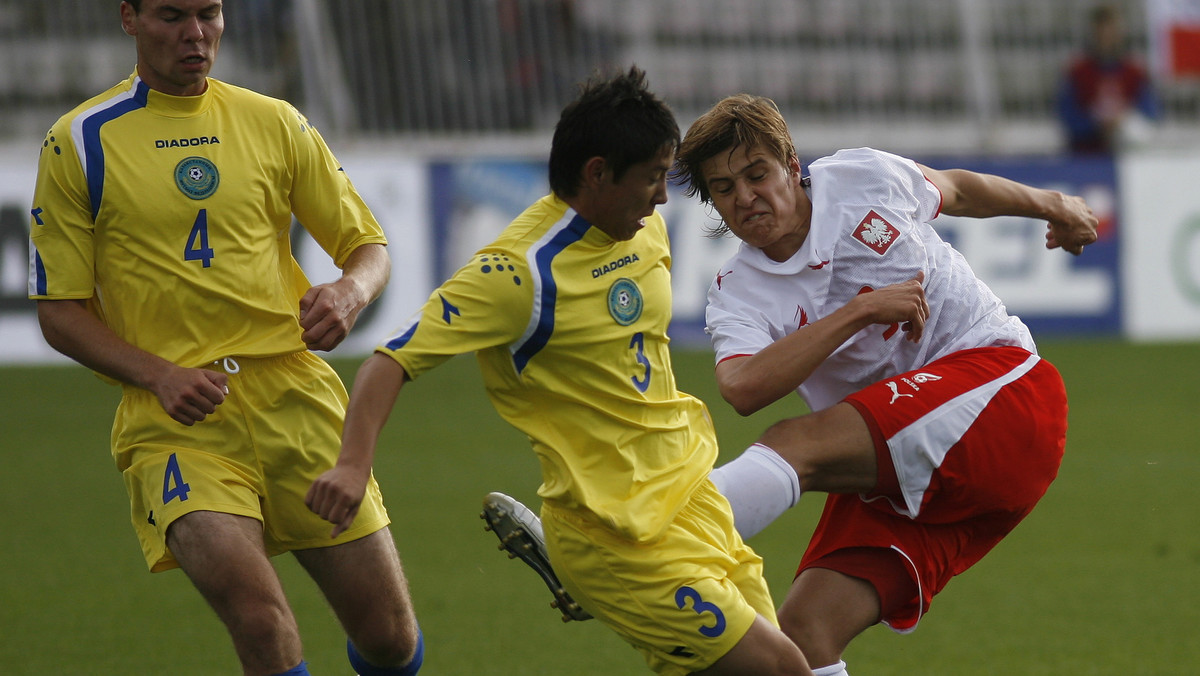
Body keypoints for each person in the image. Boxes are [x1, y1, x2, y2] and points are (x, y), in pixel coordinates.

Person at [304, 67, 815, 676]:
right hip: (616, 539)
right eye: (652, 179)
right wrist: (353, 464)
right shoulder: (518, 274)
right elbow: (390, 361)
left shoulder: (643, 226)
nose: (662, 199)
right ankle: (594, 581)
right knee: (784, 669)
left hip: (693, 500)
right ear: (597, 173)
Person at [28, 2, 421, 675]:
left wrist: (349, 293)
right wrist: (158, 375)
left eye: (209, 12)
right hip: (177, 420)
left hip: (296, 402)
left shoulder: (274, 121)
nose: (195, 33)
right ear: (130, 19)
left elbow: (369, 247)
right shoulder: (80, 140)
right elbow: (59, 311)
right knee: (262, 624)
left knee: (389, 637)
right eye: (172, 16)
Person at [668, 94, 1099, 675]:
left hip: (1005, 393)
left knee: (797, 445)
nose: (744, 197)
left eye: (756, 173)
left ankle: (650, 545)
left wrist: (1054, 204)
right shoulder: (738, 290)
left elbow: (959, 190)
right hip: (913, 473)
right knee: (806, 632)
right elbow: (740, 386)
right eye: (723, 188)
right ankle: (650, 547)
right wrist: (855, 313)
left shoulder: (861, 177)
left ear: (791, 164)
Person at [1058, 3, 1159, 154]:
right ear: (1093, 32)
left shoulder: (1134, 72)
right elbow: (1068, 115)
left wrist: (1124, 120)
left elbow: (1151, 113)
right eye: (1101, 31)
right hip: (1086, 154)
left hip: (1128, 153)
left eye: (1111, 31)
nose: (1106, 37)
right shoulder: (1078, 72)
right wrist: (1098, 124)